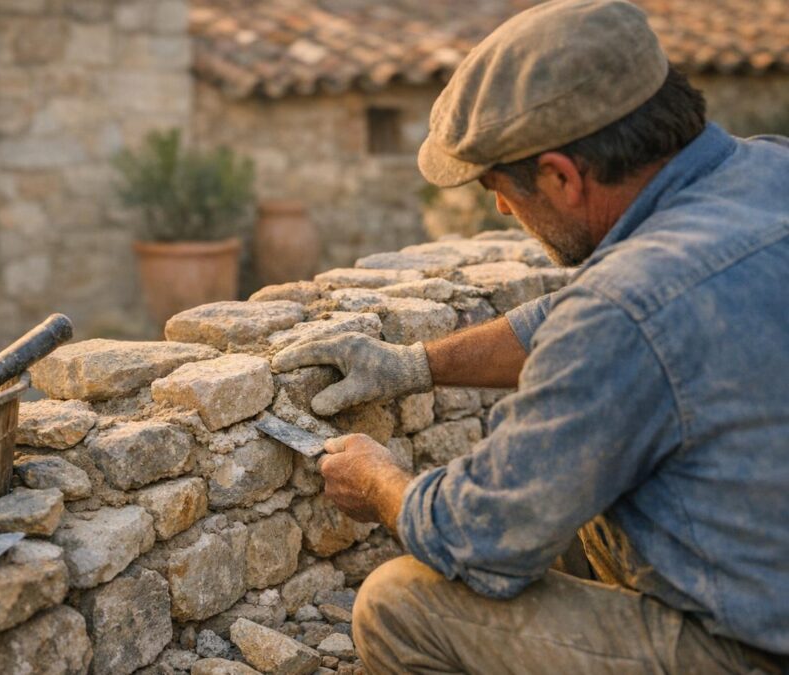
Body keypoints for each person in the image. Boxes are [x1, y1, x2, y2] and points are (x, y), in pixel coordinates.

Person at [270, 0, 789, 672]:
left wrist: (380, 482)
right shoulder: (768, 174)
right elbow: (595, 320)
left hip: (752, 646)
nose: (501, 209)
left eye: (500, 188)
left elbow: (481, 535)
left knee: (399, 604)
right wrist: (412, 364)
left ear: (561, 177)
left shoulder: (624, 309)